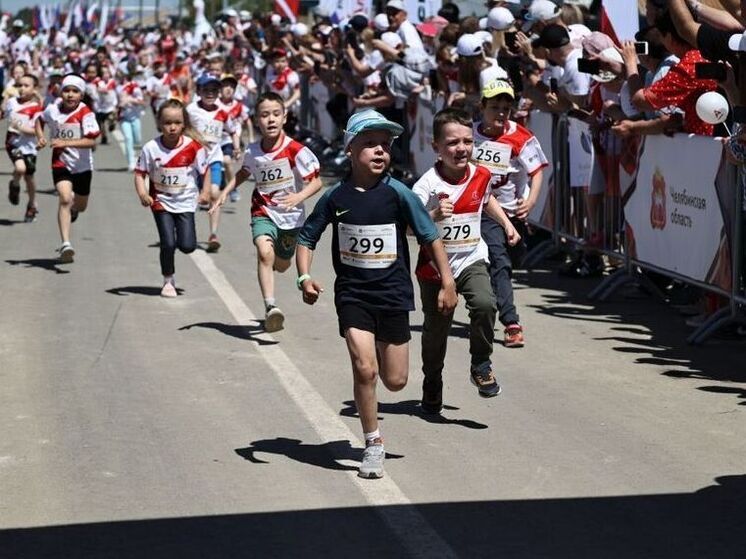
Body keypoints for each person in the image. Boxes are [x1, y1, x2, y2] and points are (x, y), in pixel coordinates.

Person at [295, 109, 458, 479]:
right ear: (350, 150)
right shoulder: (335, 197)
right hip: (353, 295)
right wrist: (304, 276)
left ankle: (376, 421)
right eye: (370, 144)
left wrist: (447, 282)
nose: (380, 152)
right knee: (364, 368)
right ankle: (373, 443)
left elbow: (430, 236)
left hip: (393, 295)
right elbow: (307, 238)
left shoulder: (399, 193)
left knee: (395, 380)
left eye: (385, 145)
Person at [413, 108, 521, 412]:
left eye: (467, 141)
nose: (461, 148)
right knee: (436, 331)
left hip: (472, 258)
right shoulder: (425, 186)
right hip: (435, 266)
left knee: (486, 304)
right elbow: (407, 226)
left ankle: (481, 365)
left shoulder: (482, 174)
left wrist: (506, 224)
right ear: (436, 147)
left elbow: (486, 200)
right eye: (452, 143)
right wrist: (432, 215)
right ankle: (432, 380)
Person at [213, 92, 321, 332]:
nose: (270, 119)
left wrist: (299, 197)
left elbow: (316, 182)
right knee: (264, 253)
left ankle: (276, 261)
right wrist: (223, 193)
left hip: (291, 218)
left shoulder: (296, 150)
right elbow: (244, 173)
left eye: (275, 114)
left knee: (282, 264)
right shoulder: (253, 151)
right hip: (263, 210)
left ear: (284, 117)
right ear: (256, 120)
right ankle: (271, 307)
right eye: (264, 115)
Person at [472, 79, 548, 347]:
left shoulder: (520, 136)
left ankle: (492, 294)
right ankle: (511, 322)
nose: (501, 113)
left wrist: (531, 201)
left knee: (511, 261)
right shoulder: (469, 136)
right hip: (484, 212)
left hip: (514, 210)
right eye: (495, 107)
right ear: (482, 107)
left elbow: (537, 172)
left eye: (506, 108)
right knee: (499, 260)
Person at [134, 99, 215, 297]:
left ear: (184, 124)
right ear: (159, 123)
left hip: (186, 201)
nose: (172, 127)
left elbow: (205, 171)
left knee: (187, 246)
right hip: (161, 201)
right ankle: (168, 280)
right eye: (167, 122)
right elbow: (139, 173)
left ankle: (182, 241)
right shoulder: (151, 148)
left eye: (177, 123)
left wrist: (205, 192)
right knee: (168, 243)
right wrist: (143, 194)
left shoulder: (194, 147)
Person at [35, 74, 100, 263]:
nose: (70, 95)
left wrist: (66, 141)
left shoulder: (86, 113)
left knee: (80, 205)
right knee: (64, 198)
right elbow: (39, 120)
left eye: (75, 91)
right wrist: (40, 137)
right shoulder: (52, 110)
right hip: (60, 163)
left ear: (81, 95)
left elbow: (91, 141)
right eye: (67, 90)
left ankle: (74, 211)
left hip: (82, 166)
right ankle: (66, 243)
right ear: (60, 92)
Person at [187, 74, 236, 252]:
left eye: (214, 90)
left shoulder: (222, 111)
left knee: (215, 194)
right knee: (191, 197)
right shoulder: (191, 110)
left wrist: (236, 146)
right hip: (193, 161)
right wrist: (195, 138)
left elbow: (233, 130)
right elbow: (183, 129)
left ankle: (213, 234)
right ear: (199, 91)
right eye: (206, 90)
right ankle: (186, 232)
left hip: (214, 158)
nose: (210, 94)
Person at [4, 74, 43, 222]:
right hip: (13, 143)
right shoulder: (12, 102)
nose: (22, 88)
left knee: (29, 177)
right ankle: (14, 185)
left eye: (26, 86)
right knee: (20, 169)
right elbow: (4, 115)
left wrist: (22, 128)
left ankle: (32, 204)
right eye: (19, 85)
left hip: (30, 147)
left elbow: (37, 131)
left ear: (34, 89)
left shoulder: (36, 108)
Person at [217, 74, 247, 203]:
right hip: (213, 139)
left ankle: (233, 188)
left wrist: (238, 145)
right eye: (225, 86)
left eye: (231, 86)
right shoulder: (214, 103)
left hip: (229, 138)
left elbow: (243, 122)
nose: (228, 89)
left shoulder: (238, 106)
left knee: (227, 161)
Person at [117, 69, 146, 172]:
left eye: (120, 73)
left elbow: (143, 102)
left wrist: (131, 100)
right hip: (123, 118)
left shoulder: (134, 87)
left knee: (137, 140)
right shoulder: (117, 87)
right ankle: (131, 163)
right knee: (128, 139)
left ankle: (137, 159)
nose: (118, 75)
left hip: (135, 117)